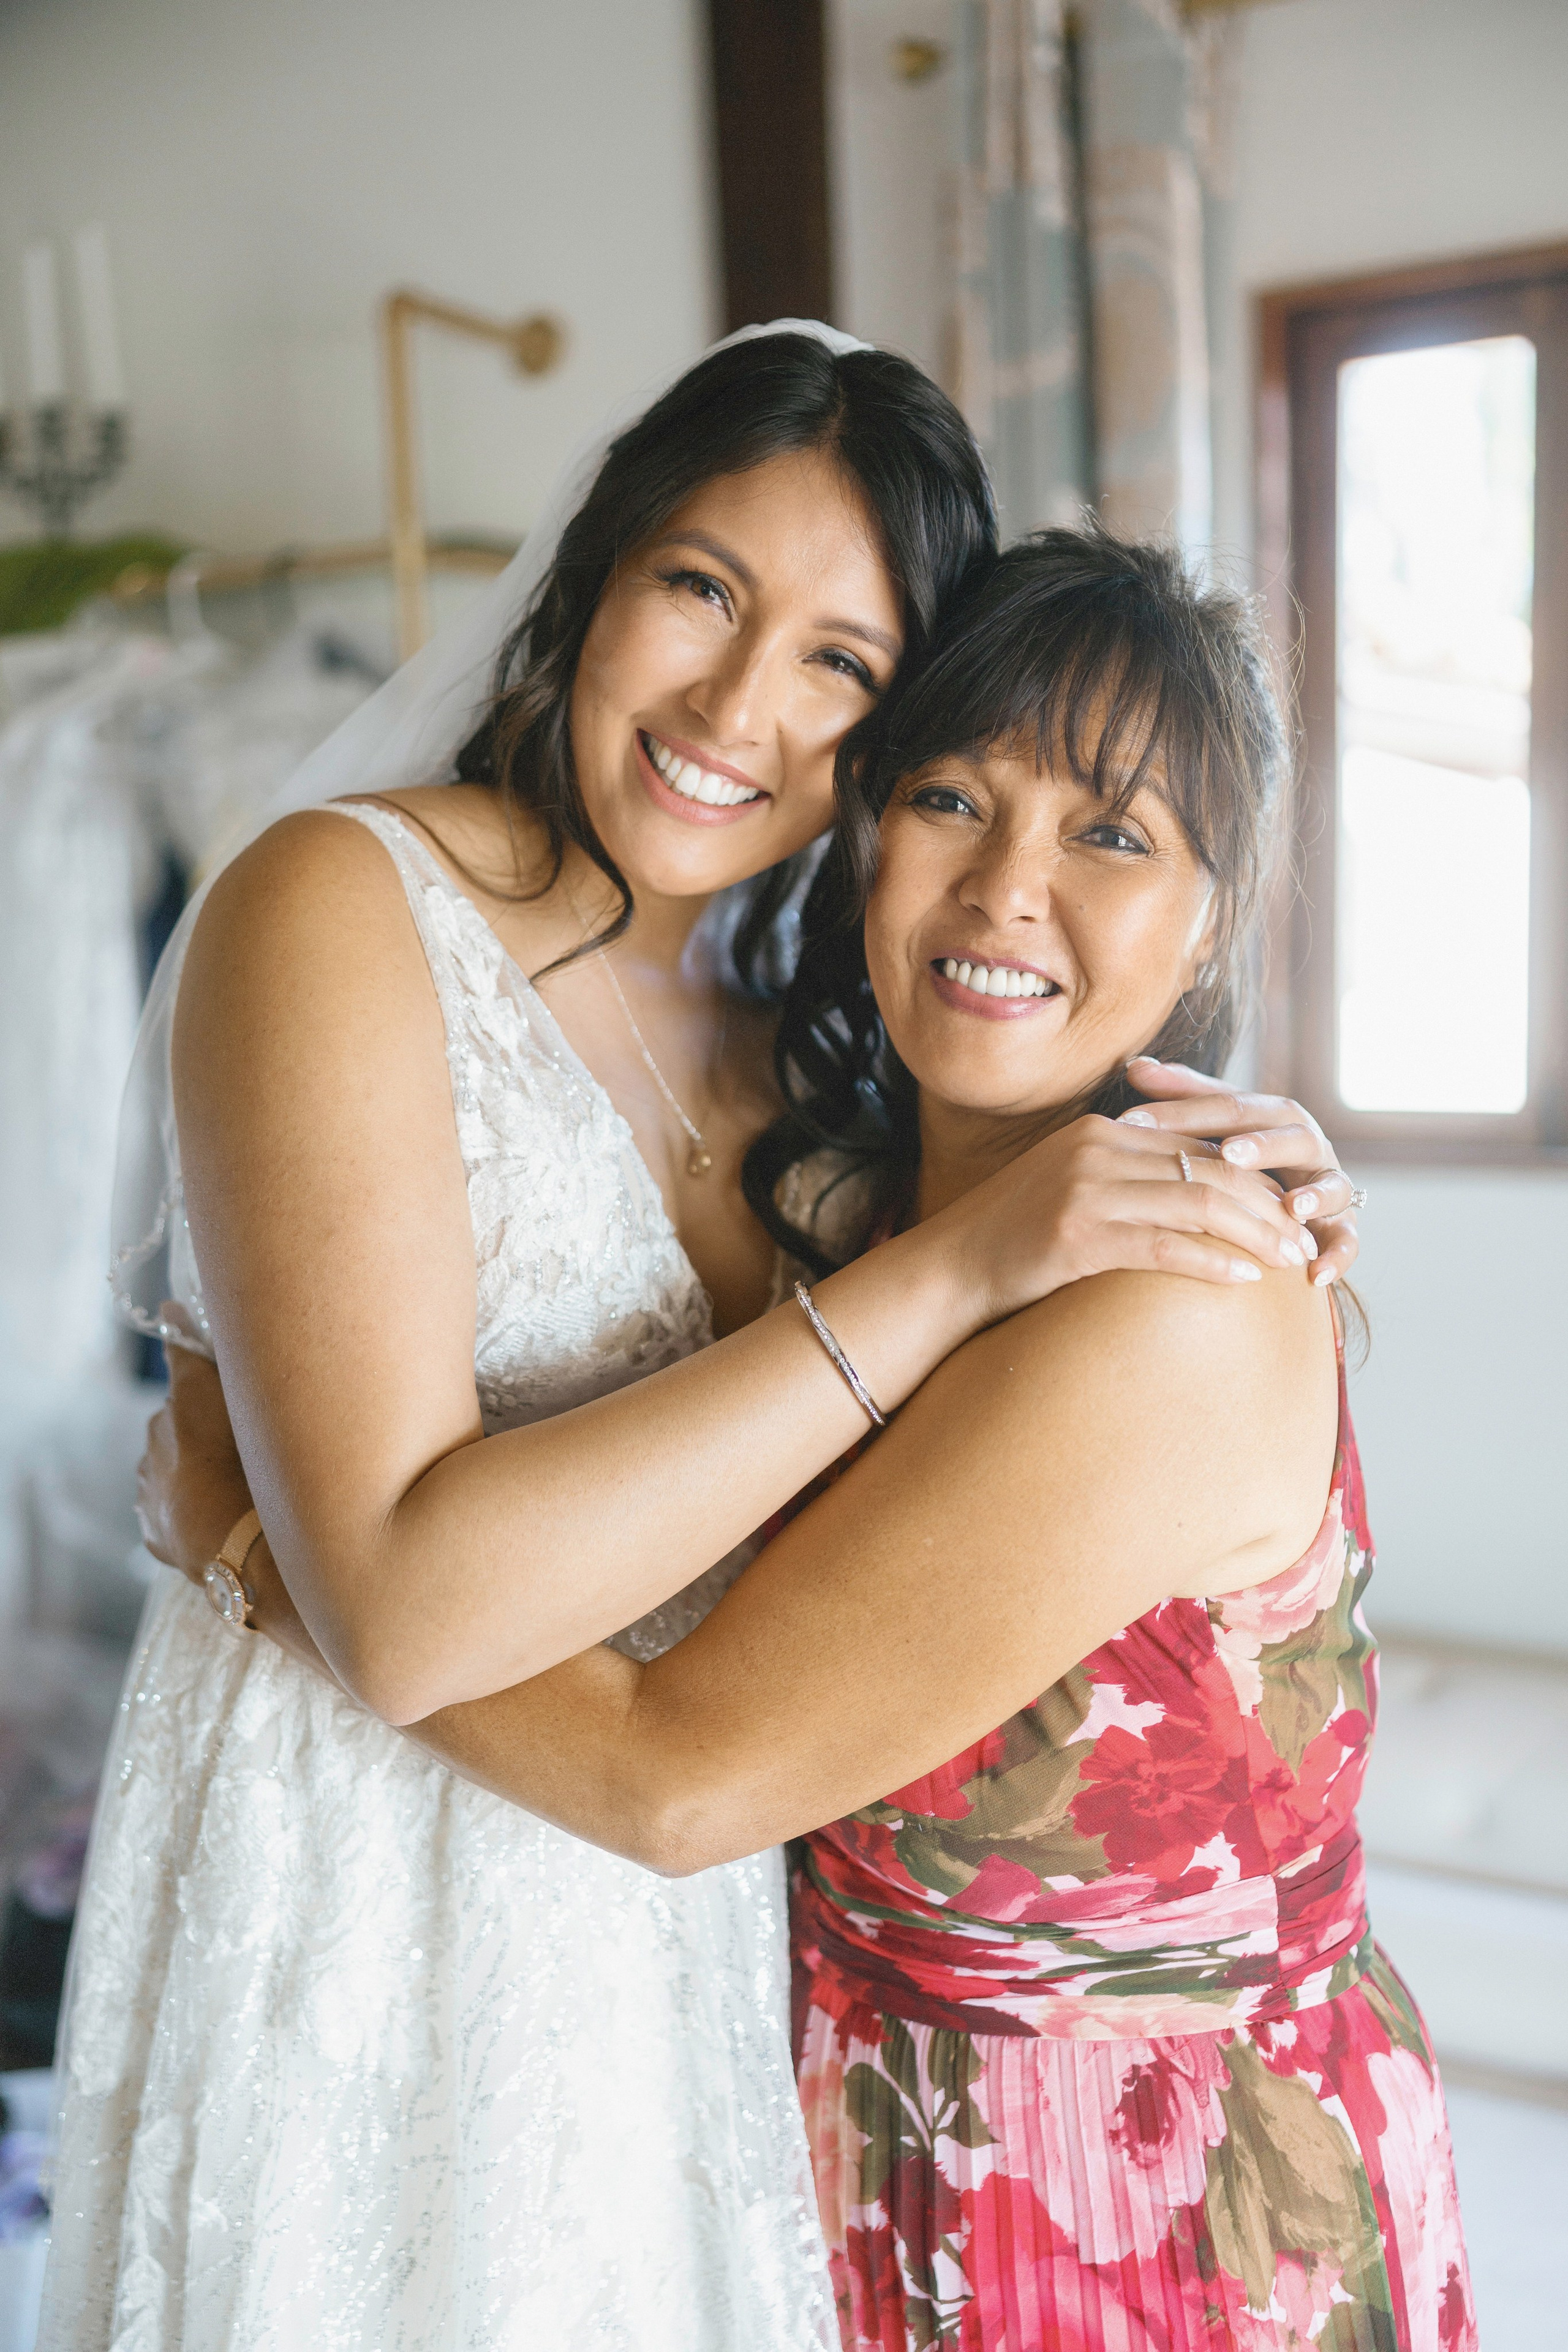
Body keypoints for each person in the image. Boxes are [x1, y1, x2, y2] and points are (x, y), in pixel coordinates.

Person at [58, 316, 1360, 2352]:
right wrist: (951, 1267)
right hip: (360, 1885)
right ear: (598, 572)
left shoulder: (810, 1039)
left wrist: (243, 1528)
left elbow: (683, 1740)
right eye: (702, 589)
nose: (740, 707)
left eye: (841, 664)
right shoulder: (348, 908)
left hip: (683, 1941)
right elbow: (411, 1605)